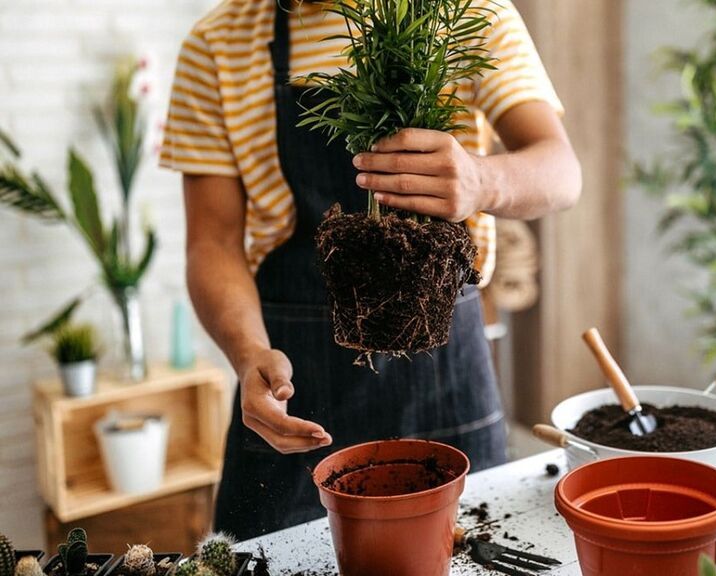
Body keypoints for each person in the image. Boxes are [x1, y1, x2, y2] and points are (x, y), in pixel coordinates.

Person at [160, 0, 581, 539]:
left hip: (445, 369)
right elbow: (212, 242)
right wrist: (248, 355)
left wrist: (481, 180)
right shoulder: (218, 42)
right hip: (292, 375)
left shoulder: (467, 12)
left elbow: (561, 171)